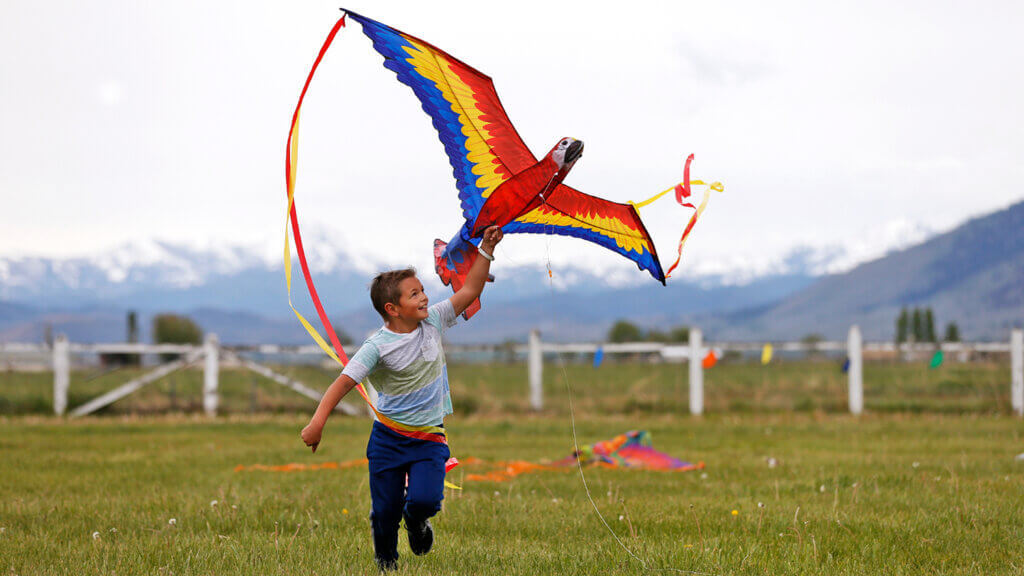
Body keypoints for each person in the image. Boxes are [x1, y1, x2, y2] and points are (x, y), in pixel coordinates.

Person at [300, 226, 504, 572]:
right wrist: (317, 422)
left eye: (422, 290)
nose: (424, 297)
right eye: (415, 294)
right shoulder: (376, 347)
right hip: (388, 441)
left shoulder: (435, 321)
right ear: (393, 308)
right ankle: (386, 561)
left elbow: (470, 289)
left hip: (429, 438)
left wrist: (486, 248)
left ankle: (416, 521)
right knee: (384, 512)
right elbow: (344, 382)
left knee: (425, 500)